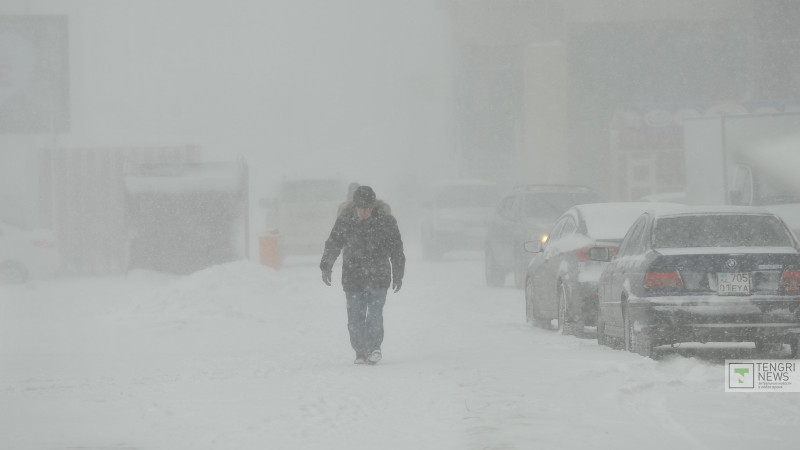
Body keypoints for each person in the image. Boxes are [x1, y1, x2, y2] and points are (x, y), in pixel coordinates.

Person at [320, 185, 405, 365]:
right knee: (355, 317)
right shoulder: (345, 221)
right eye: (361, 208)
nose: (365, 212)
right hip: (353, 276)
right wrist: (326, 265)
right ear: (355, 206)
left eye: (368, 208)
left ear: (373, 206)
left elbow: (396, 249)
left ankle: (374, 348)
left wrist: (398, 272)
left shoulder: (386, 221)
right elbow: (334, 243)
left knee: (375, 314)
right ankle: (360, 350)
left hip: (379, 276)